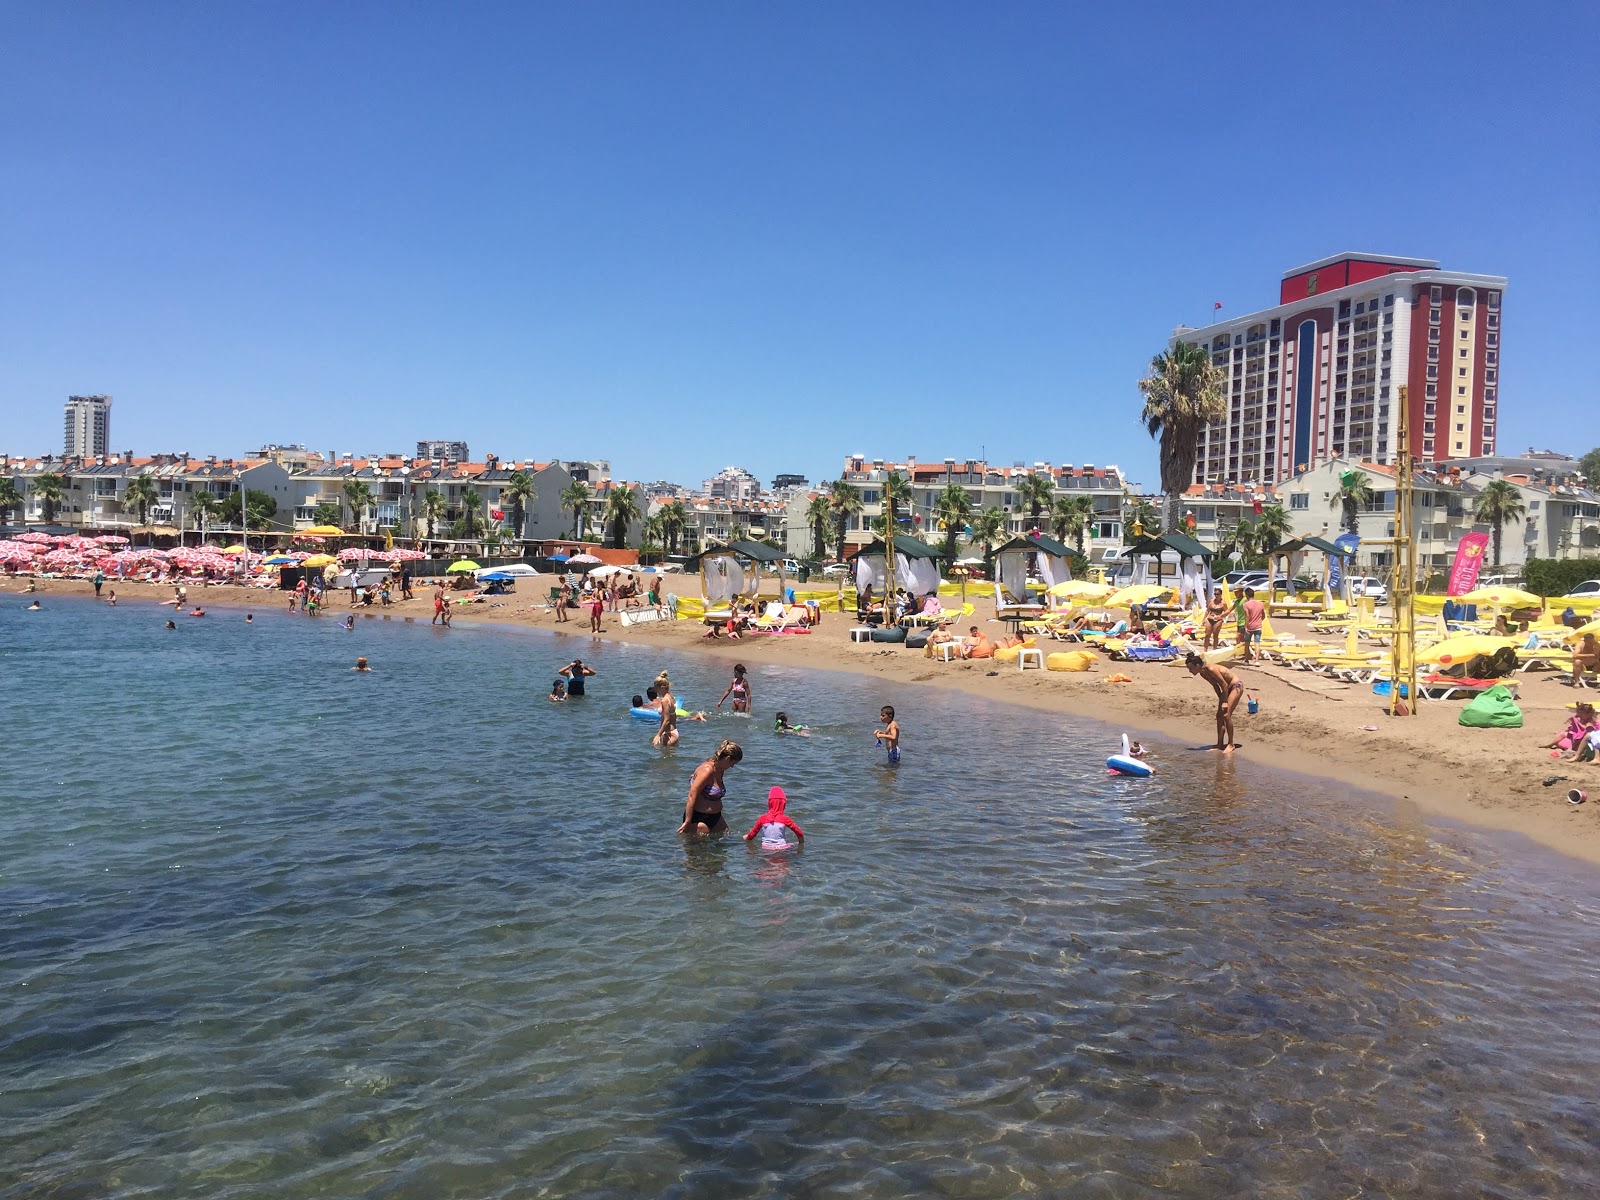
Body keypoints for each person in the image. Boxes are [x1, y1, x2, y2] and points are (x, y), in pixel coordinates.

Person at [678, 740, 743, 836]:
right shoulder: (707, 771)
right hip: (699, 817)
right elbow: (692, 796)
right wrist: (687, 821)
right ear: (728, 758)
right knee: (701, 849)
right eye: (733, 763)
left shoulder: (720, 769)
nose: (732, 766)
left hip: (716, 817)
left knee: (725, 841)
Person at [1187, 651, 1243, 752]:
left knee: (1226, 715)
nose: (1190, 671)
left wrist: (1225, 701)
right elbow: (1216, 686)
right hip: (1226, 690)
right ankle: (1219, 744)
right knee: (1219, 715)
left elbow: (1224, 684)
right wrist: (1221, 699)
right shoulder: (1203, 673)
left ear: (1197, 665)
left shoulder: (1211, 669)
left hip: (1236, 686)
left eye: (1191, 668)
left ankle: (1231, 744)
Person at [744, 786, 805, 850]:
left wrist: (747, 837)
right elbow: (799, 833)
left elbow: (752, 835)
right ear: (783, 804)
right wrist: (801, 843)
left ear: (769, 803)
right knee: (793, 844)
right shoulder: (785, 819)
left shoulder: (762, 818)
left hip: (766, 849)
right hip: (782, 848)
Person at [1241, 587, 1266, 663]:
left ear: (1247, 595)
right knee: (1257, 643)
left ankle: (1246, 660)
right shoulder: (1260, 604)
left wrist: (1246, 626)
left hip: (1250, 627)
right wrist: (1259, 620)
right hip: (1258, 626)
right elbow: (1263, 615)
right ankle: (1257, 661)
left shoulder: (1246, 604)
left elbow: (1247, 616)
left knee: (1247, 643)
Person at [654, 677, 680, 748]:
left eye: (656, 688)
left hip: (669, 735)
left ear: (661, 687)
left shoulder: (665, 700)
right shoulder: (670, 696)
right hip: (673, 732)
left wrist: (658, 735)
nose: (655, 690)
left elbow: (667, 720)